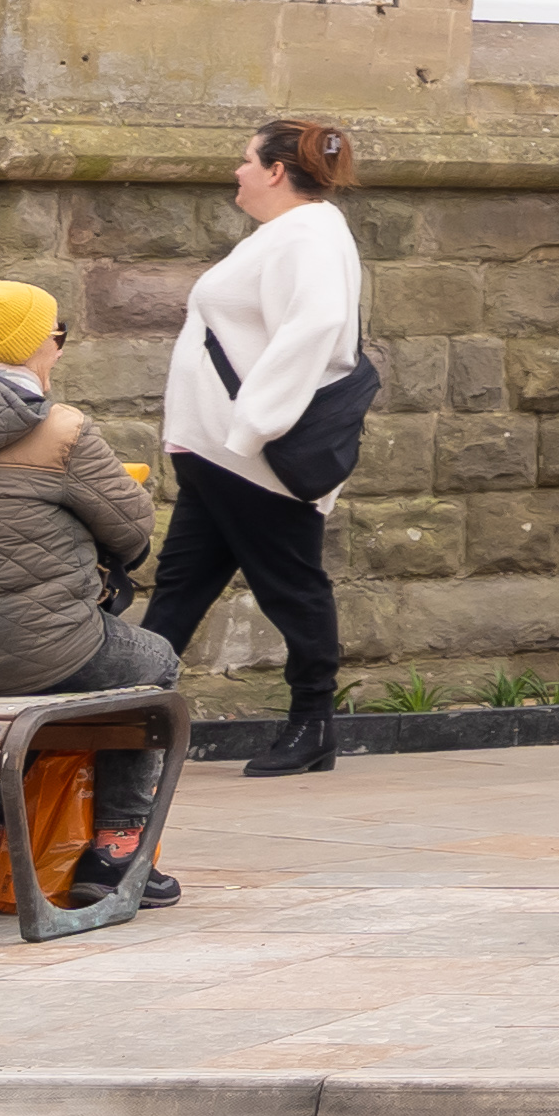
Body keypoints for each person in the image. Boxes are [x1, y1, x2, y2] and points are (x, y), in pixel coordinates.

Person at [0, 295, 180, 911]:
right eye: (59, 335)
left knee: (36, 669)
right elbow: (132, 531)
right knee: (150, 660)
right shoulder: (62, 430)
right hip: (39, 650)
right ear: (33, 345)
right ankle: (118, 846)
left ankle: (1, 848)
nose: (60, 347)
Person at [152, 114, 373, 775]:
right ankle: (131, 715)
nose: (238, 172)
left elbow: (318, 329)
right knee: (179, 586)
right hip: (220, 456)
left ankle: (313, 726)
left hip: (250, 460)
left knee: (291, 588)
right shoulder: (290, 233)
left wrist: (251, 426)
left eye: (246, 160)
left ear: (277, 170)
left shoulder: (304, 235)